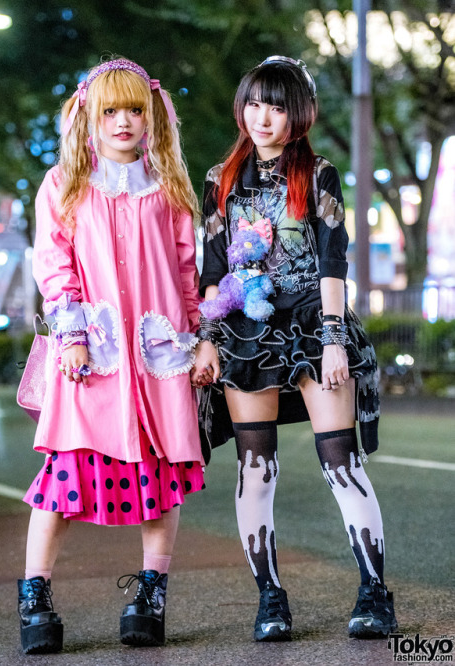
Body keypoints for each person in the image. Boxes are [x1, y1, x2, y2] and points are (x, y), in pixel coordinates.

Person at [192, 56, 397, 642]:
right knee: (255, 472)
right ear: (242, 108)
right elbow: (212, 270)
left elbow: (334, 261)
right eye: (255, 103)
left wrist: (335, 339)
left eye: (277, 106)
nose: (264, 117)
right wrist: (208, 338)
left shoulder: (320, 173)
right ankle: (271, 598)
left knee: (342, 464)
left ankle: (374, 592)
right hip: (246, 333)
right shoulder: (220, 179)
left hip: (312, 320)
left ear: (298, 114)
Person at [18, 56, 205, 654]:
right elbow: (54, 264)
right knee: (63, 479)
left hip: (158, 357)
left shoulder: (168, 185)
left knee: (159, 478)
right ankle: (35, 597)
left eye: (134, 110)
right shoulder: (64, 184)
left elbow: (184, 271)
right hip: (91, 356)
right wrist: (70, 333)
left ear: (151, 117)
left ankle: (152, 591)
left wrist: (199, 337)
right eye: (110, 111)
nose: (123, 122)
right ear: (88, 117)